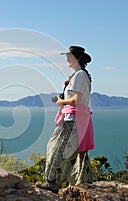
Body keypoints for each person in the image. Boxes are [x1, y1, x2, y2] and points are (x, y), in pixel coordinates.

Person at [36, 45, 94, 193]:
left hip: (72, 119)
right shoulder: (80, 75)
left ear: (78, 58)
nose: (67, 58)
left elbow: (76, 99)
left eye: (70, 56)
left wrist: (61, 102)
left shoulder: (79, 75)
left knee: (57, 148)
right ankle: (85, 182)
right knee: (76, 151)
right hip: (78, 118)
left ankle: (52, 182)